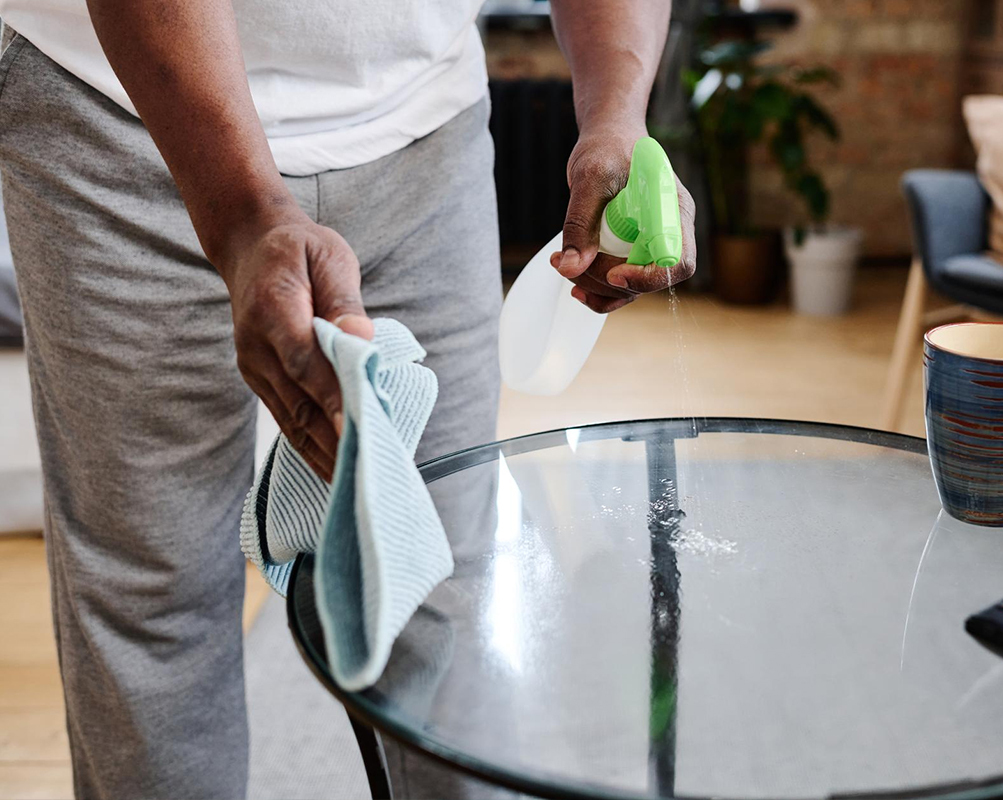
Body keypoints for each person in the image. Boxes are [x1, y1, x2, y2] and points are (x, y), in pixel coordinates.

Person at [0, 0, 696, 796]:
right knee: (156, 598)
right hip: (118, 114)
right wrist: (240, 216)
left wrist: (616, 114)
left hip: (425, 127)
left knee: (446, 581)